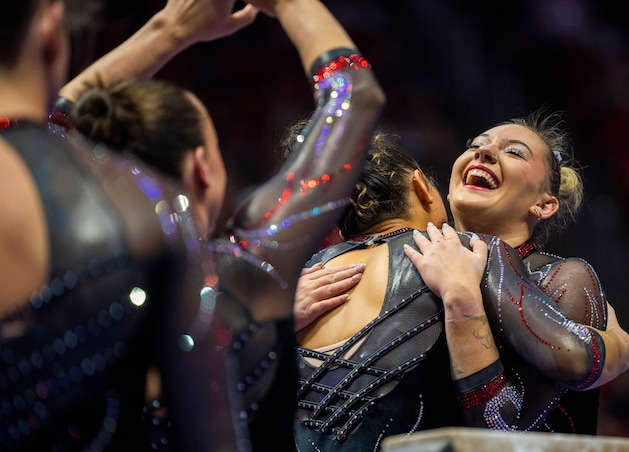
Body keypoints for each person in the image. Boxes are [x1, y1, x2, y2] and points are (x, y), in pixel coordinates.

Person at [1, 1, 386, 451]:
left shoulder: (67, 245)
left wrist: (167, 30)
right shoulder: (245, 271)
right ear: (202, 166)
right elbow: (354, 95)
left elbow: (38, 136)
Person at [0, 0, 250, 449]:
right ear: (52, 30)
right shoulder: (150, 209)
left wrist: (167, 30)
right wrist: (167, 30)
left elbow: (40, 126)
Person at [291, 129, 629, 450]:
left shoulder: (561, 276)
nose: (483, 151)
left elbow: (505, 436)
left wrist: (618, 347)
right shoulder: (416, 266)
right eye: (474, 145)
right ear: (440, 192)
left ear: (543, 204)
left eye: (514, 152)